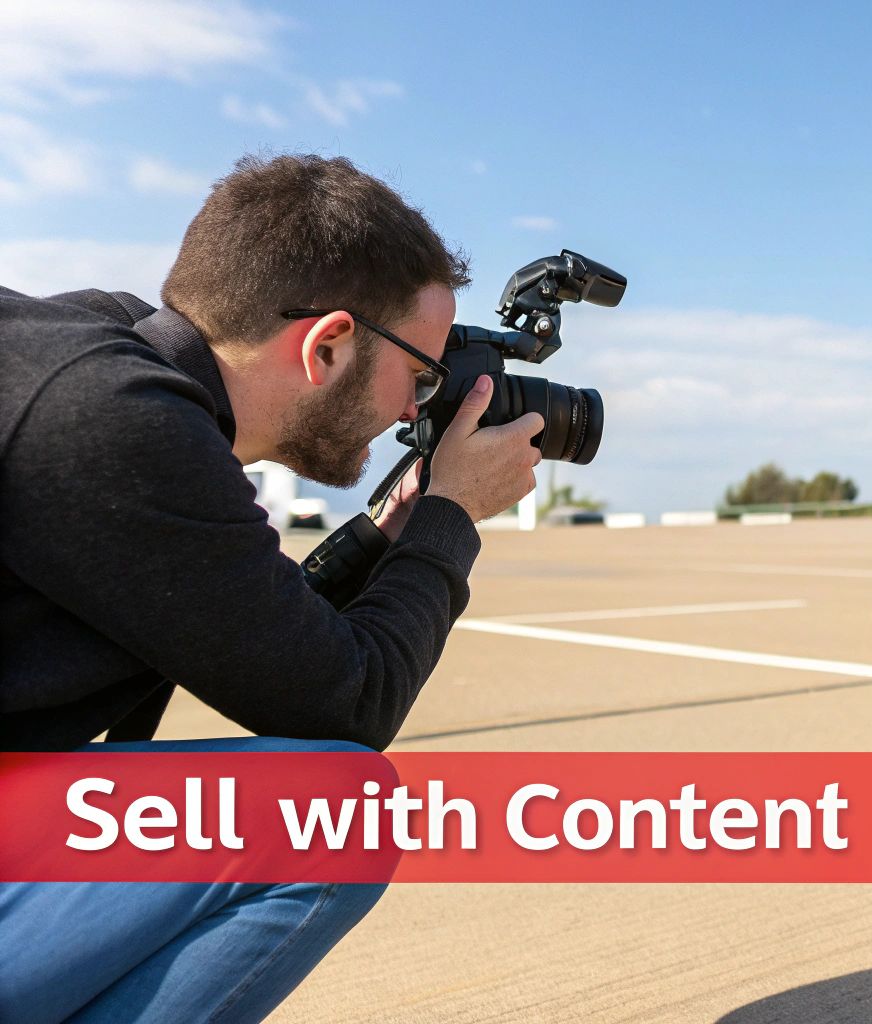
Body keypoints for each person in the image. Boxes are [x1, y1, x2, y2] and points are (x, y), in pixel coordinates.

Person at [0, 154, 544, 1022]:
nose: (415, 414)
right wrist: (454, 514)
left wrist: (390, 527)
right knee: (338, 814)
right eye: (422, 376)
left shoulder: (103, 355)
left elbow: (260, 636)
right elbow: (346, 703)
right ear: (327, 345)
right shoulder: (119, 425)